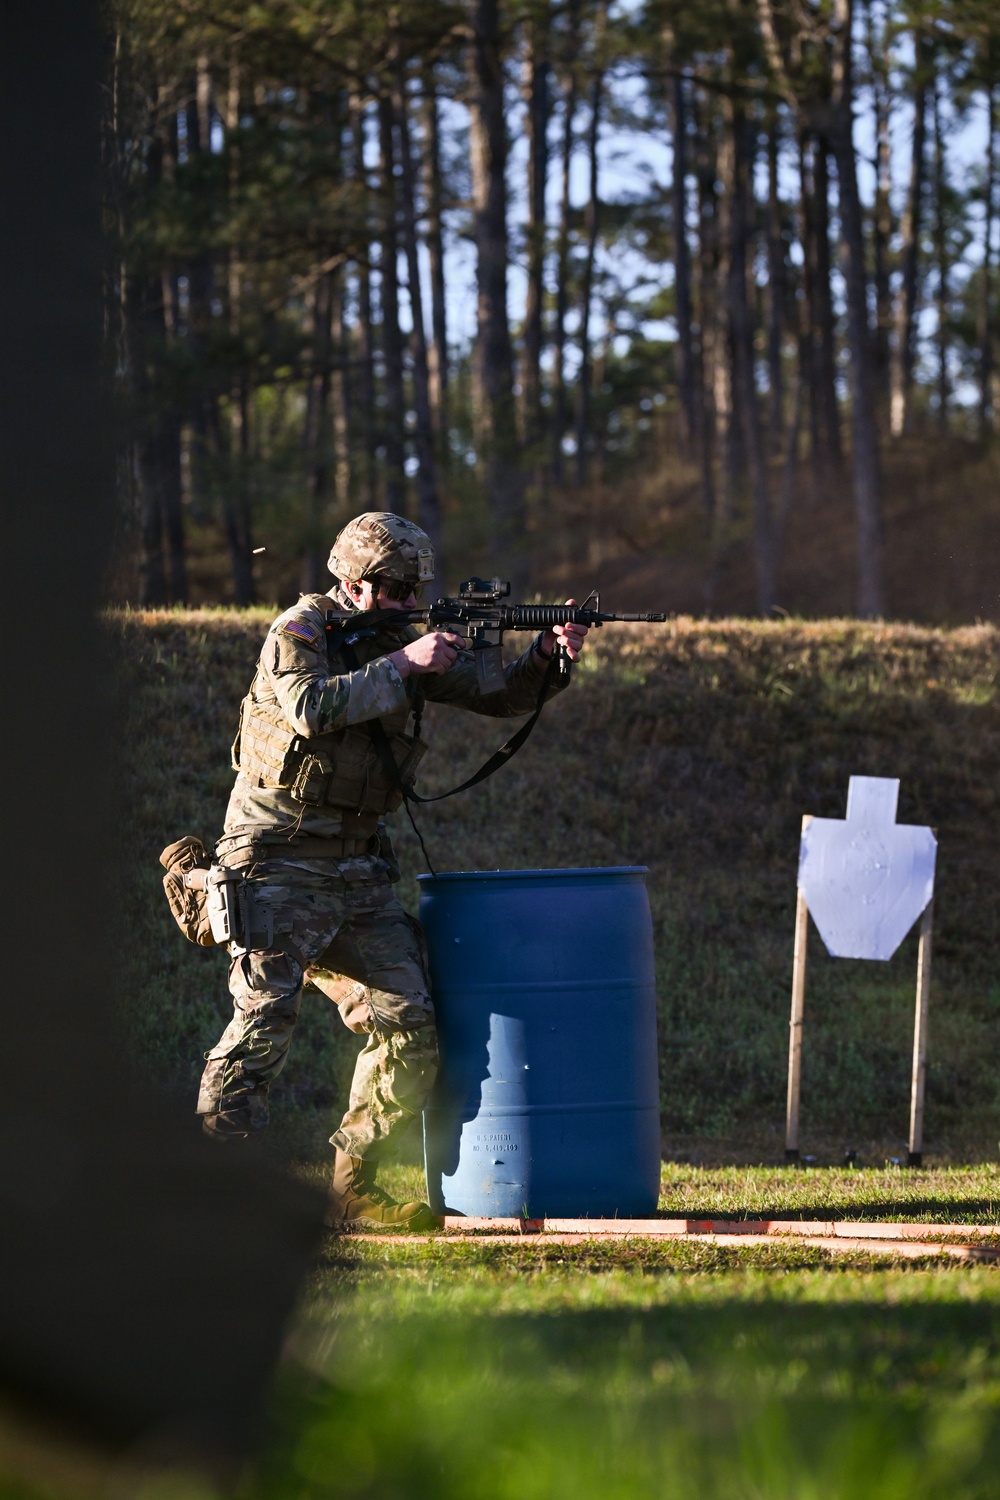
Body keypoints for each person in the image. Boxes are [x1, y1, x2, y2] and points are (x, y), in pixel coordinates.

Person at [196, 512, 590, 1228]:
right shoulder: (301, 631)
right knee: (263, 1022)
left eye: (417, 591)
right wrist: (404, 666)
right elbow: (310, 709)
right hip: (275, 862)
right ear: (353, 584)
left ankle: (354, 1189)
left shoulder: (397, 639)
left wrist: (546, 657)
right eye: (398, 591)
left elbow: (497, 693)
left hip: (355, 871)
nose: (412, 604)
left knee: (409, 1025)